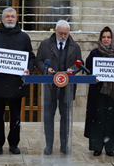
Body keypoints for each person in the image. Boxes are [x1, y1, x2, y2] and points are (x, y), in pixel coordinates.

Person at [0, 7, 35, 155]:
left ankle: (14, 144)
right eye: (7, 16)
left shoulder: (24, 37)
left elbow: (31, 56)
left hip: (16, 83)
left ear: (17, 18)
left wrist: (29, 69)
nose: (10, 19)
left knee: (16, 117)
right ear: (2, 19)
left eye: (12, 16)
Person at [35, 20, 83, 155]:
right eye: (61, 33)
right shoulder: (45, 45)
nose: (63, 36)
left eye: (66, 34)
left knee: (65, 118)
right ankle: (49, 145)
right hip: (49, 88)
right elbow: (38, 61)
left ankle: (64, 145)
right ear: (55, 31)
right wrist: (46, 69)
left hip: (67, 89)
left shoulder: (75, 47)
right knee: (48, 117)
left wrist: (71, 70)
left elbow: (79, 63)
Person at [84, 27, 114, 157]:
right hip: (98, 92)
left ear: (112, 38)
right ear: (100, 39)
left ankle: (110, 147)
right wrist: (92, 78)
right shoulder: (95, 53)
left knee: (111, 119)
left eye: (108, 37)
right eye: (104, 37)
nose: (106, 40)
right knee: (98, 119)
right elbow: (88, 70)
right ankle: (97, 146)